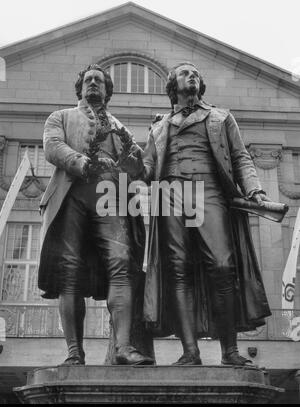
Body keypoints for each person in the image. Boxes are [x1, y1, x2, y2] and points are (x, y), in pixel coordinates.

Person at [140, 62, 272, 366]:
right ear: (173, 86)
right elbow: (147, 168)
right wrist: (129, 165)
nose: (193, 76)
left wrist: (254, 190)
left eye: (196, 73)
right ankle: (190, 352)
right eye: (186, 73)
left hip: (209, 191)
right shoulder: (159, 126)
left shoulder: (221, 117)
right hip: (169, 195)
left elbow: (241, 157)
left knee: (223, 266)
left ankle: (229, 351)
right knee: (177, 269)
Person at [38, 64, 153, 366]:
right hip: (72, 194)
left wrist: (134, 164)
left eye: (98, 81)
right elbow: (52, 147)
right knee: (69, 272)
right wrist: (80, 162)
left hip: (111, 198)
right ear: (80, 88)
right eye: (87, 80)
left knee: (121, 266)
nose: (92, 84)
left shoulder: (120, 127)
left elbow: (139, 166)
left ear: (106, 90)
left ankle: (124, 348)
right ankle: (75, 352)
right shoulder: (60, 117)